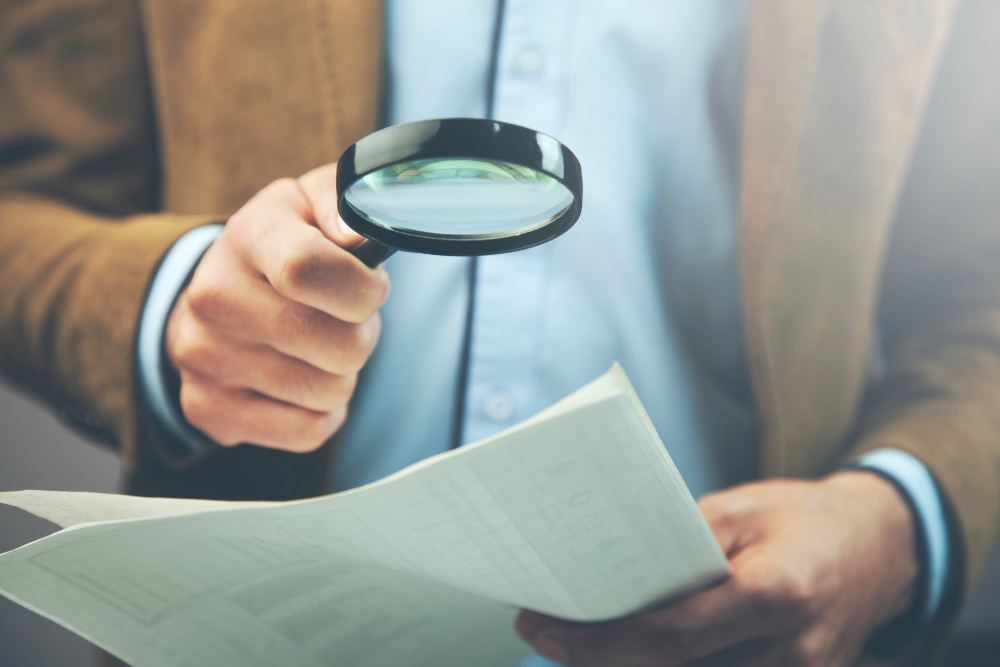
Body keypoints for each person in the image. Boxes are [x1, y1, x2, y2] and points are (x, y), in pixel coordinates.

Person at [1, 1, 998, 666]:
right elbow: (23, 193)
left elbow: (979, 286)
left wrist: (893, 516)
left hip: (721, 628)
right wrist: (170, 295)